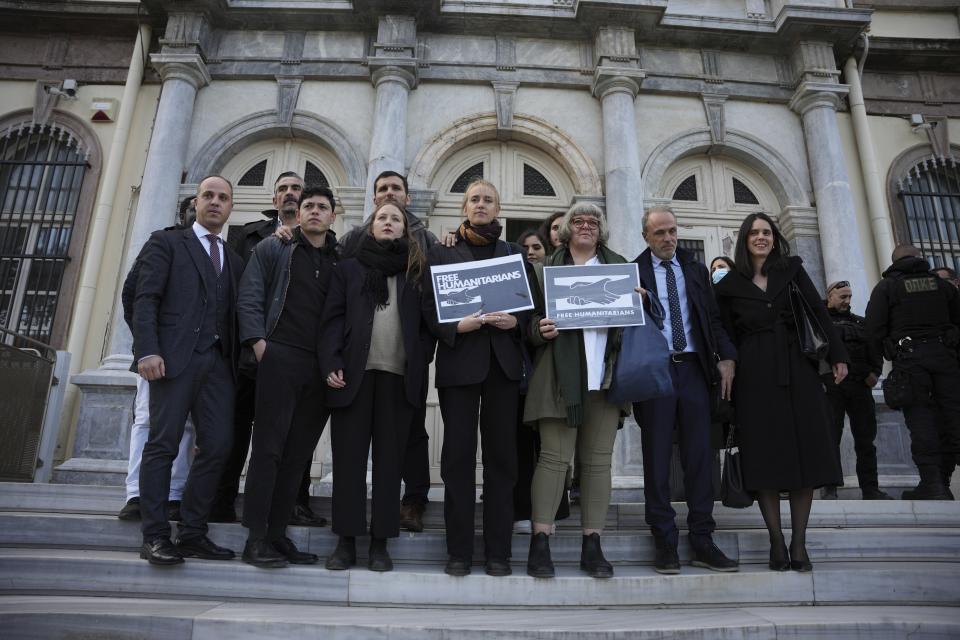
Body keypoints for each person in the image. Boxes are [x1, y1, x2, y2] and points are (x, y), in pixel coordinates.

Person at [714, 212, 848, 573]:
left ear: (774, 237)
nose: (761, 237)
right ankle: (775, 540)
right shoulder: (728, 285)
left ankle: (799, 543)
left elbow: (818, 312)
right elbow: (723, 332)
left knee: (805, 453)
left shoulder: (791, 269)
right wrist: (726, 361)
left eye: (767, 232)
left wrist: (838, 355)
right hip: (753, 375)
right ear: (744, 239)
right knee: (765, 457)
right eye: (755, 232)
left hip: (798, 370)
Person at [132, 175, 244, 565]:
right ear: (195, 202)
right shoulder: (166, 242)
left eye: (223, 198)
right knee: (163, 443)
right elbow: (142, 297)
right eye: (208, 196)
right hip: (172, 362)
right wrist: (148, 349)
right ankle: (155, 535)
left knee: (218, 446)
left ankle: (194, 533)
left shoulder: (233, 257)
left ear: (231, 207)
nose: (215, 202)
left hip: (218, 366)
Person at [320, 201, 433, 572]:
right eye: (382, 218)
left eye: (395, 219)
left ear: (405, 229)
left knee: (389, 465)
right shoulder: (349, 270)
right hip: (353, 378)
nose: (388, 222)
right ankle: (346, 541)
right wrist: (332, 361)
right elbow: (333, 318)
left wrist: (420, 360)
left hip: (398, 381)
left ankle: (380, 543)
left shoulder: (416, 274)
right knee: (350, 463)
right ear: (371, 228)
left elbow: (427, 326)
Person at [212, 171, 326, 529]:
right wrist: (258, 344)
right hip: (253, 356)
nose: (290, 194)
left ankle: (293, 506)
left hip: (300, 360)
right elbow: (241, 292)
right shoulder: (253, 237)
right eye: (284, 189)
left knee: (293, 443)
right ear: (275, 199)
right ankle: (225, 503)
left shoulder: (327, 248)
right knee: (245, 432)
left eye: (297, 189)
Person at [523, 202, 630, 580]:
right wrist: (540, 330)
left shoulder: (620, 268)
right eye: (579, 221)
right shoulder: (543, 269)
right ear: (567, 229)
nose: (586, 226)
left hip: (605, 378)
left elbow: (633, 327)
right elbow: (526, 324)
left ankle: (592, 544)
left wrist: (640, 303)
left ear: (601, 230)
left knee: (598, 462)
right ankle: (540, 541)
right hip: (557, 379)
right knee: (553, 459)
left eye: (594, 221)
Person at [424, 178, 525, 577]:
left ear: (498, 209)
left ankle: (499, 553)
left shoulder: (513, 253)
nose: (481, 205)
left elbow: (530, 311)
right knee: (457, 462)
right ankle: (459, 552)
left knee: (503, 462)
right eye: (474, 199)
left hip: (502, 370)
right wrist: (454, 329)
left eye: (488, 200)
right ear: (464, 207)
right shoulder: (441, 252)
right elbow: (427, 308)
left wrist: (516, 320)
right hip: (459, 368)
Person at [235, 185, 340, 568]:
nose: (314, 211)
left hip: (318, 369)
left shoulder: (340, 257)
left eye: (322, 207)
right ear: (298, 214)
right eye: (308, 206)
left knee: (297, 457)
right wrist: (258, 343)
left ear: (333, 215)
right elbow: (249, 296)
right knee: (268, 451)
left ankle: (278, 535)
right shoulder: (273, 248)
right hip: (279, 357)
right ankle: (256, 538)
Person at [631, 206, 739, 575]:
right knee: (657, 457)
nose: (668, 239)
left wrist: (726, 356)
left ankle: (702, 538)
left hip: (694, 371)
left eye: (673, 231)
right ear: (646, 236)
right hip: (655, 372)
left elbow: (712, 319)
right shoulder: (633, 272)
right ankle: (664, 539)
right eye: (660, 233)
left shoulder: (694, 270)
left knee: (699, 456)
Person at [340, 171, 439, 534]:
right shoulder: (353, 241)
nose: (389, 195)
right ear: (374, 198)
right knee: (354, 449)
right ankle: (349, 532)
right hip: (360, 366)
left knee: (408, 441)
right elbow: (340, 297)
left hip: (403, 368)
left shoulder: (426, 242)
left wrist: (422, 353)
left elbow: (435, 303)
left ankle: (412, 502)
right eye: (383, 190)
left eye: (396, 189)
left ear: (407, 199)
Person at [118, 196, 197, 522]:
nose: (201, 209)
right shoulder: (161, 243)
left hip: (196, 359)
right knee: (146, 421)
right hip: (157, 355)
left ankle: (175, 494)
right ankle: (136, 493)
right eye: (193, 204)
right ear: (182, 214)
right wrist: (147, 347)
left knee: (188, 427)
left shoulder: (221, 253)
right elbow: (134, 295)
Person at [865, 245, 960, 500]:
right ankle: (941, 482)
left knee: (921, 422)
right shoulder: (943, 286)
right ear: (920, 259)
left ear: (894, 261)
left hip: (910, 361)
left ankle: (933, 484)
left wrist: (874, 366)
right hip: (946, 362)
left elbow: (873, 330)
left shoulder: (887, 288)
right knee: (954, 419)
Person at [820, 280, 892, 500]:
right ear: (830, 296)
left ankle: (870, 488)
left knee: (865, 441)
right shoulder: (819, 323)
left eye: (850, 296)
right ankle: (830, 488)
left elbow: (875, 349)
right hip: (832, 388)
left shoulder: (861, 323)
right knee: (831, 438)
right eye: (843, 297)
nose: (847, 301)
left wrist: (875, 373)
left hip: (860, 387)